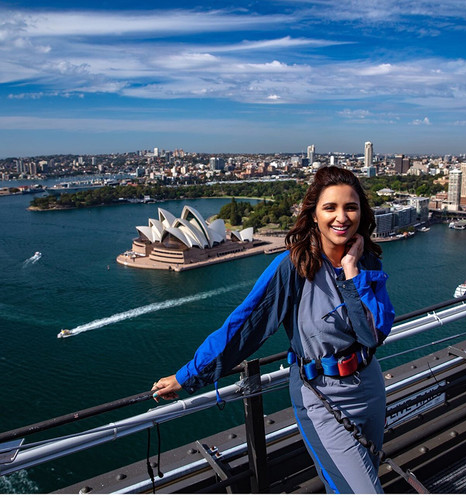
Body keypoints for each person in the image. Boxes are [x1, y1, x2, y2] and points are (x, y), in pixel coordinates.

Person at [151, 166, 395, 494]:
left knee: (366, 475)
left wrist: (351, 274)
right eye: (330, 207)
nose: (341, 217)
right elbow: (243, 327)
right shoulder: (294, 267)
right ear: (313, 215)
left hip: (369, 386)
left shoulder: (366, 264)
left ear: (362, 213)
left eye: (350, 207)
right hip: (322, 396)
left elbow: (373, 333)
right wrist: (187, 376)